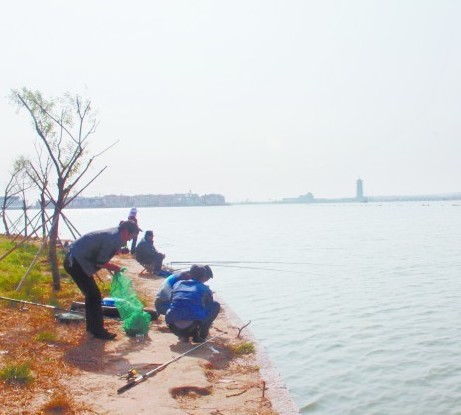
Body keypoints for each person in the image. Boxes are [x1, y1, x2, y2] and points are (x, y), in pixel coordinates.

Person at [63, 220, 140, 340]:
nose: (130, 240)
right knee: (94, 295)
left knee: (92, 295)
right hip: (75, 262)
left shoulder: (115, 235)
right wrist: (114, 267)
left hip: (77, 260)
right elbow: (100, 262)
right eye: (131, 236)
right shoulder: (113, 238)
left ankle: (93, 328)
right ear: (125, 232)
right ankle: (97, 331)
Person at [165, 265, 220, 343]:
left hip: (173, 326)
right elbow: (209, 305)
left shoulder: (178, 284)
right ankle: (200, 335)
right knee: (215, 305)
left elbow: (171, 300)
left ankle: (183, 336)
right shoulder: (204, 288)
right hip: (191, 328)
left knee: (183, 308)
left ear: (190, 274)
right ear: (204, 276)